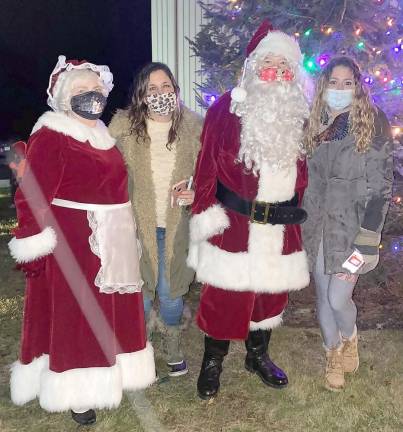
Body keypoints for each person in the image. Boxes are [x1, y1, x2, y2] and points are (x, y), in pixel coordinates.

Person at [8, 55, 155, 425]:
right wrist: (31, 239)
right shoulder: (51, 134)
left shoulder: (102, 133)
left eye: (95, 89)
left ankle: (114, 370)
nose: (90, 95)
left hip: (114, 238)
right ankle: (77, 390)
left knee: (113, 311)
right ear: (61, 97)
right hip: (76, 243)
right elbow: (33, 192)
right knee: (80, 317)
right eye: (80, 90)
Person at [187, 20, 311, 400]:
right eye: (270, 61)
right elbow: (206, 166)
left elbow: (301, 173)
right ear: (254, 67)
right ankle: (213, 361)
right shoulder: (227, 108)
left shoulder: (296, 113)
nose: (278, 71)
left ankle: (257, 355)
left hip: (280, 225)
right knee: (224, 297)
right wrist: (205, 215)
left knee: (269, 298)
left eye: (285, 64)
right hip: (235, 223)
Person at [302, 56, 393, 391]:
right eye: (333, 82)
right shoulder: (313, 125)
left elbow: (382, 187)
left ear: (358, 87)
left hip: (352, 231)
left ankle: (350, 337)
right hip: (316, 229)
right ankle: (332, 352)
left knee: (339, 297)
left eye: (347, 83)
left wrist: (366, 239)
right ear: (324, 86)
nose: (339, 89)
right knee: (324, 298)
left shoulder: (372, 123)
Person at [109, 62, 203, 377]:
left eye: (165, 86)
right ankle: (139, 349)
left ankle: (173, 344)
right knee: (140, 295)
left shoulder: (194, 128)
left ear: (175, 90)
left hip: (177, 227)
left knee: (170, 291)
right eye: (152, 88)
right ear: (142, 95)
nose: (160, 93)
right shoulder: (122, 128)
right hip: (135, 227)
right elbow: (106, 173)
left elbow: (210, 176)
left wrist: (197, 194)